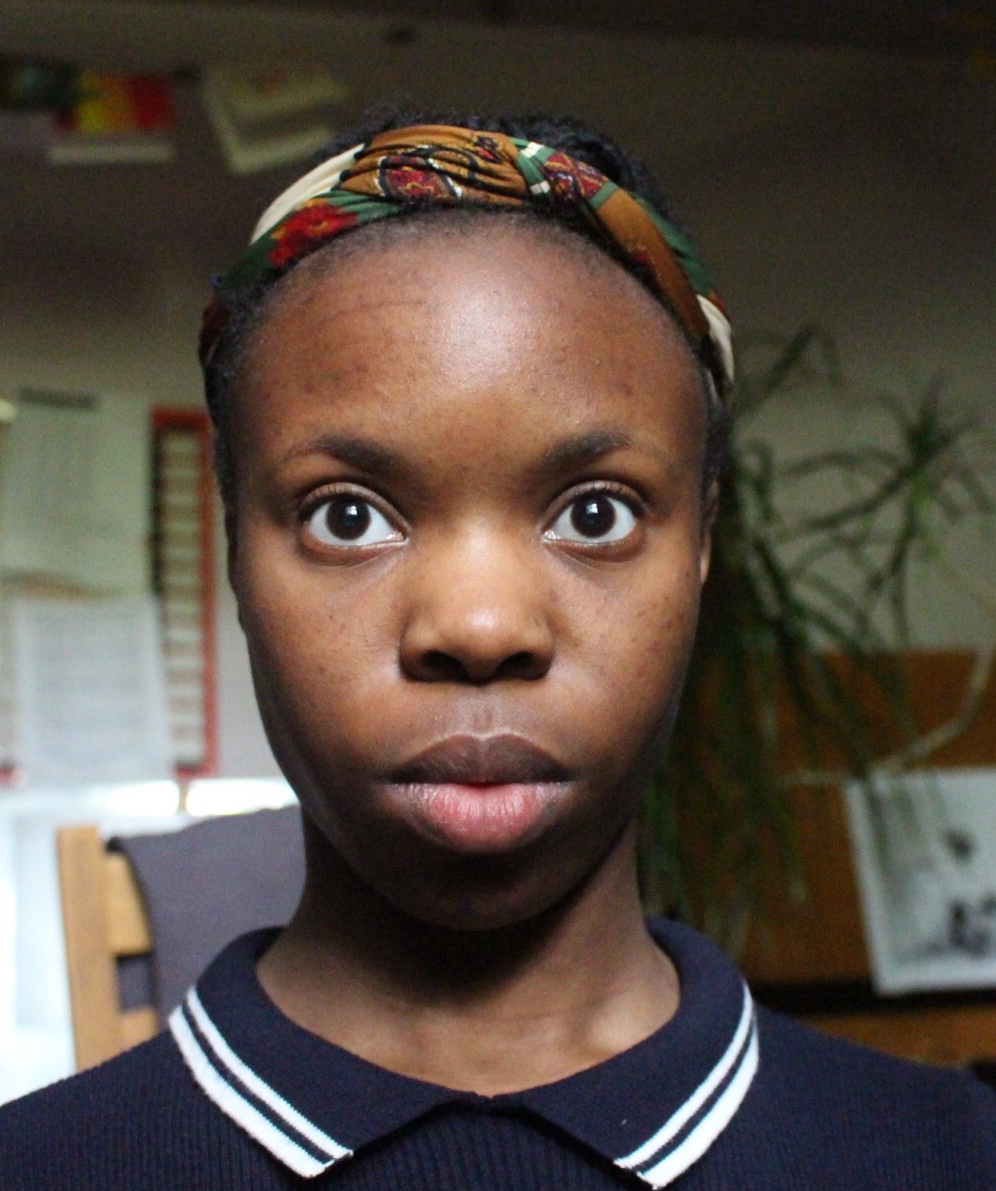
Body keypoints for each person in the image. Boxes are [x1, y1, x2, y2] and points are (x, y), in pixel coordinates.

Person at [2, 111, 995, 1190]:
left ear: (705, 547)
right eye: (347, 517)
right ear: (236, 546)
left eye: (598, 515)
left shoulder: (953, 1156)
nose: (481, 629)